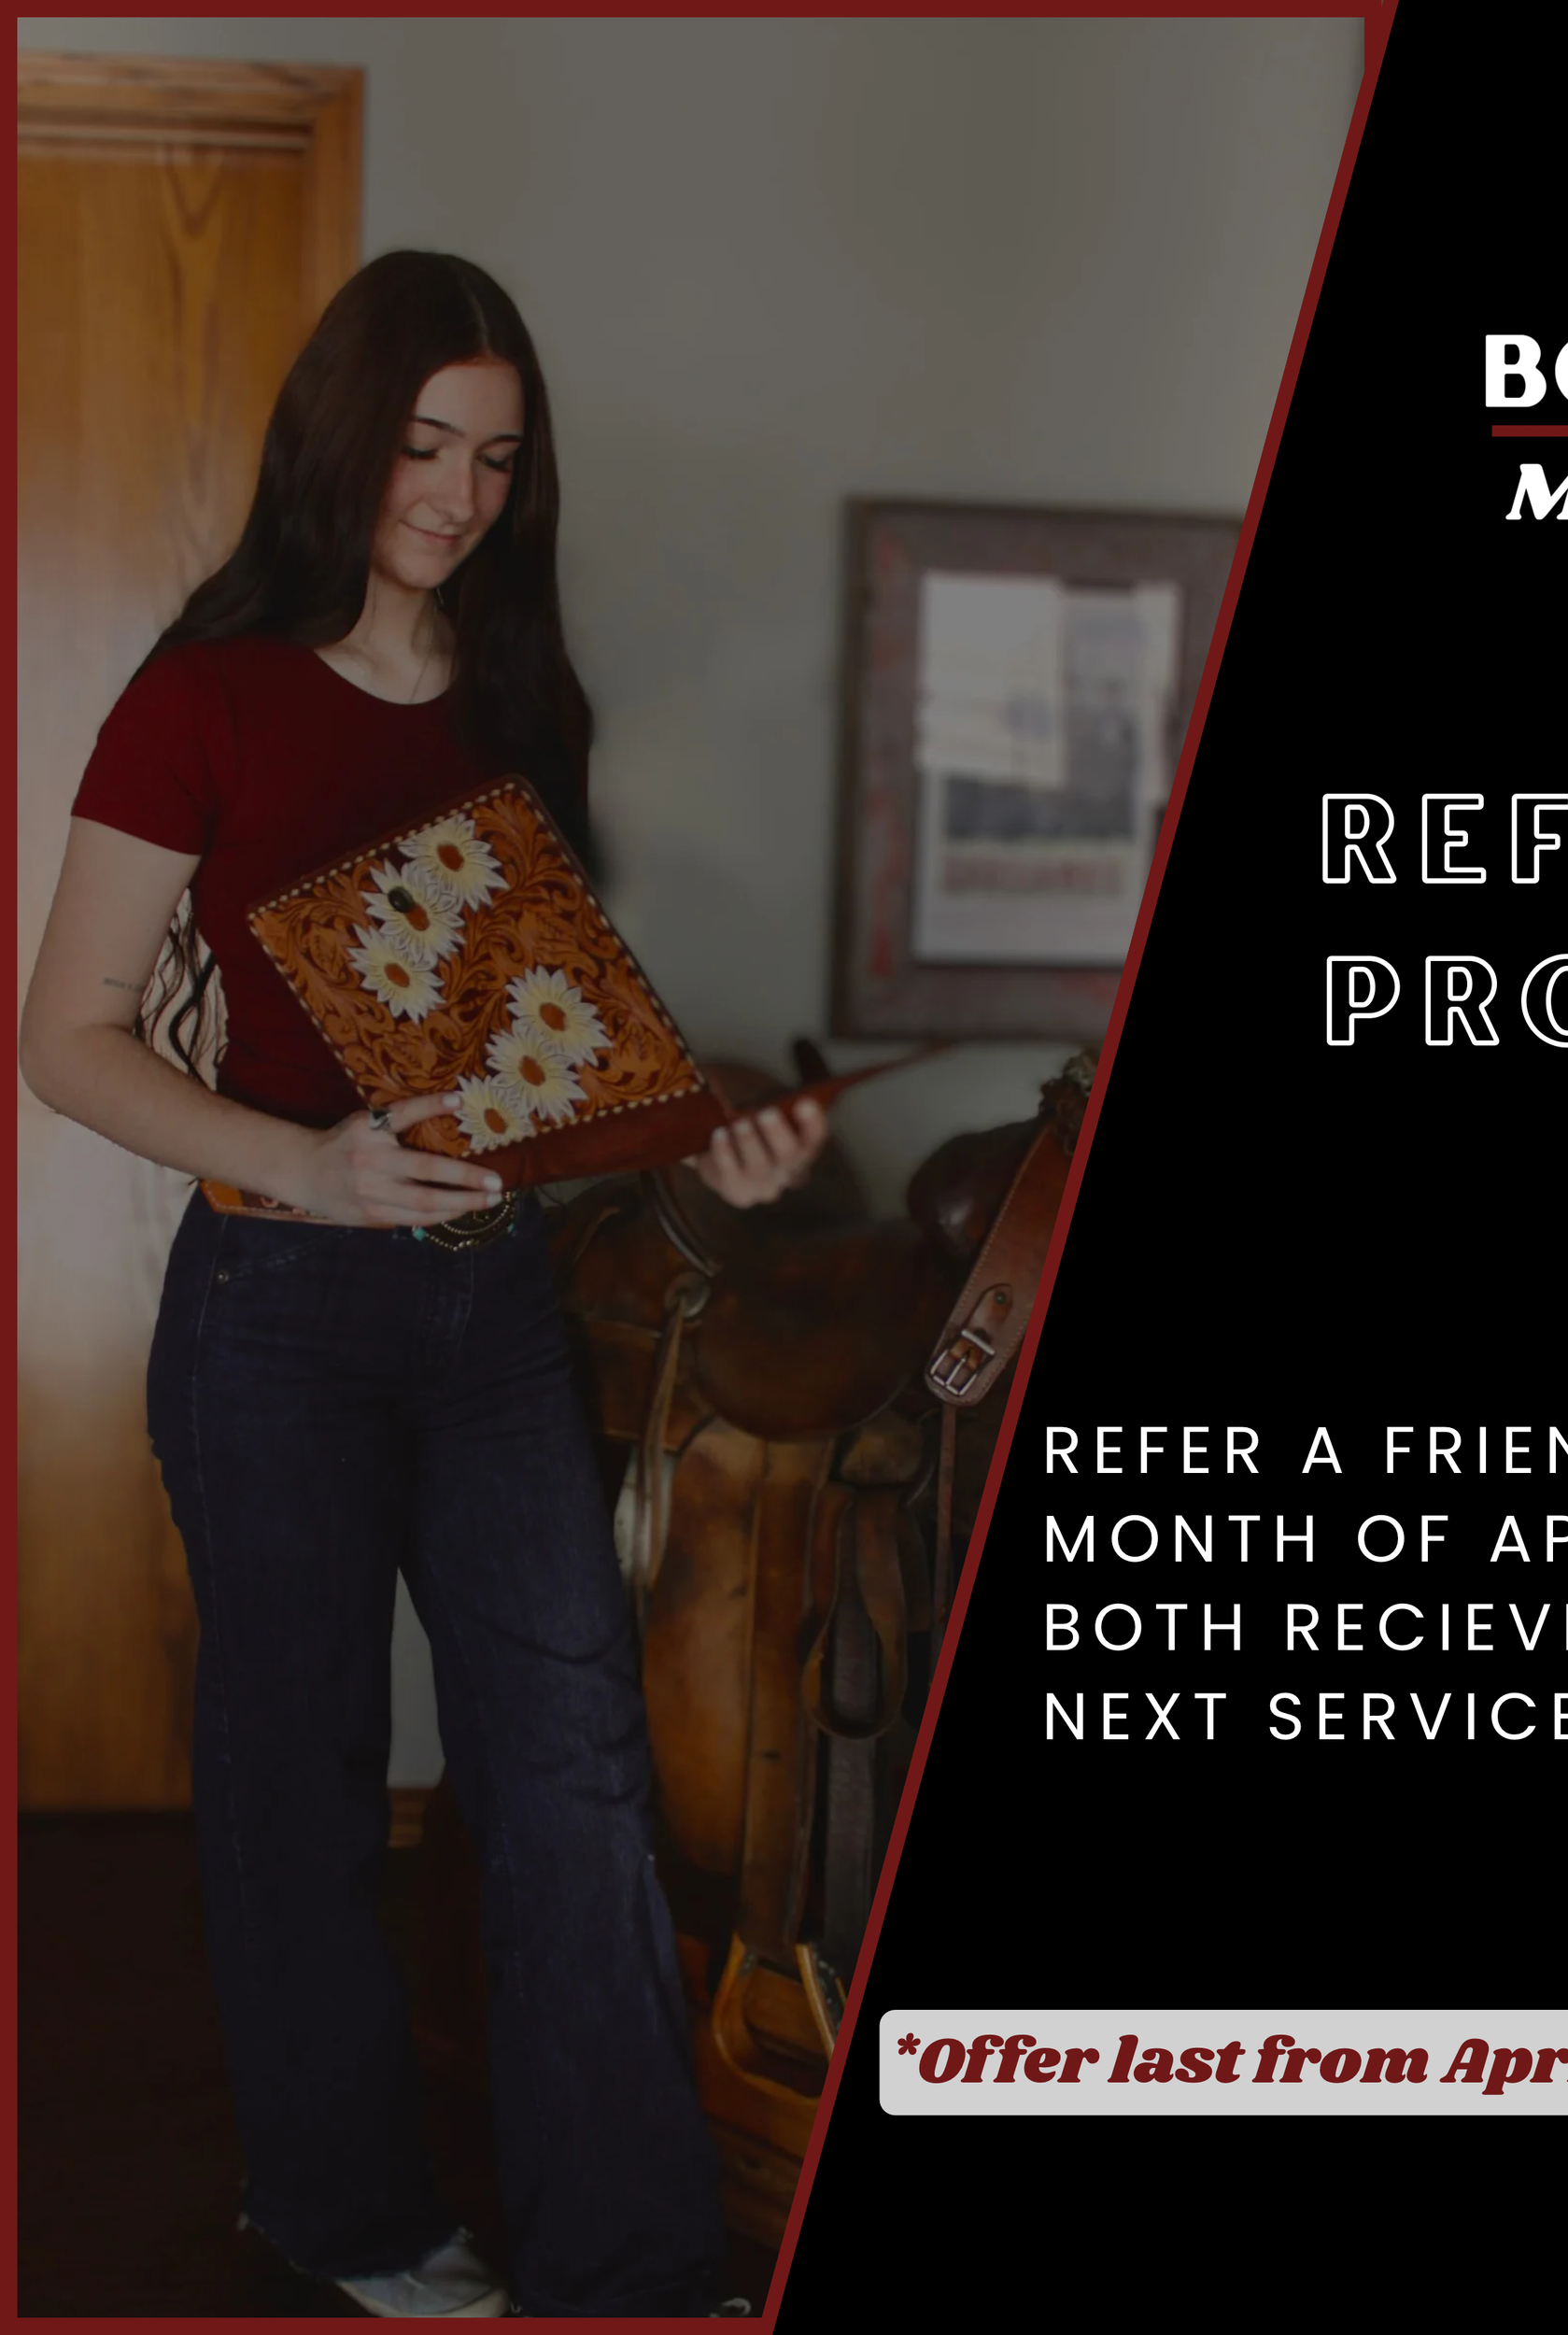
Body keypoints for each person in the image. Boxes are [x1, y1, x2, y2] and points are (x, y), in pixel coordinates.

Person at [18, 250, 821, 2317]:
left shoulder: (516, 689)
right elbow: (66, 1033)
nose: (457, 495)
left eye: (495, 458)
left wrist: (705, 1138)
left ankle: (630, 2255)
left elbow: (535, 1051)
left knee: (568, 1769)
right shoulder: (200, 694)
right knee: (294, 1779)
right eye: (421, 445)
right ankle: (346, 2209)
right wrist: (306, 1156)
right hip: (276, 1312)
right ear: (335, 438)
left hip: (491, 1310)